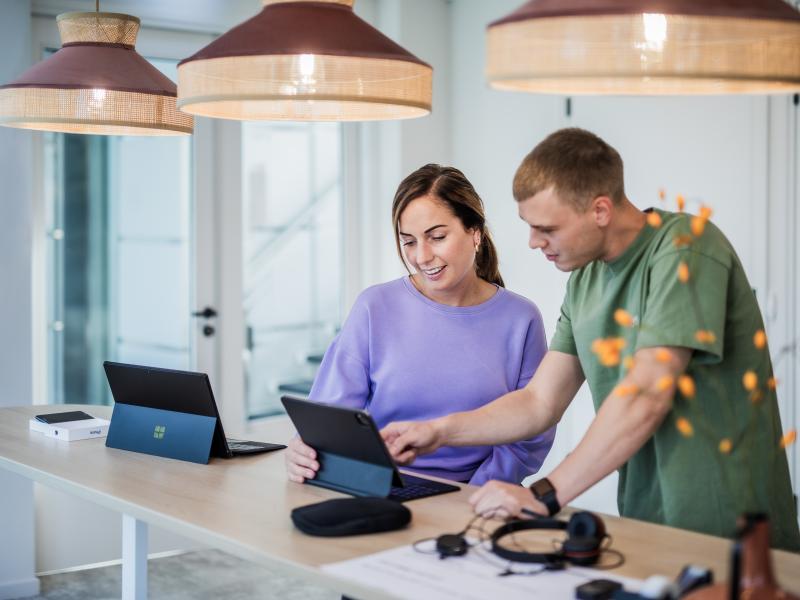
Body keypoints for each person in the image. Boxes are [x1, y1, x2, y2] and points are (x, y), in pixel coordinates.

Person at [382, 129, 800, 552]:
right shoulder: (585, 281)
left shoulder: (685, 248)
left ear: (600, 209)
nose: (533, 242)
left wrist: (544, 495)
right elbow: (538, 402)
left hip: (731, 525)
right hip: (648, 519)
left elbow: (646, 395)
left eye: (547, 228)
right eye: (530, 227)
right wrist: (437, 431)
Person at [285, 164, 555, 486]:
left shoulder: (521, 319)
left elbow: (531, 433)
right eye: (409, 241)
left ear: (475, 233)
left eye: (437, 237)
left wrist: (472, 493)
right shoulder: (375, 307)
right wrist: (305, 448)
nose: (421, 256)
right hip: (380, 487)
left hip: (478, 498)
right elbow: (329, 416)